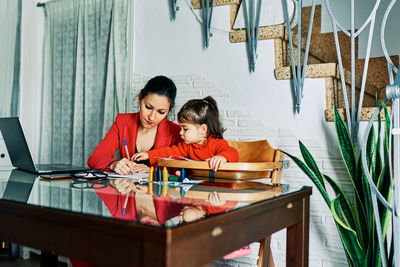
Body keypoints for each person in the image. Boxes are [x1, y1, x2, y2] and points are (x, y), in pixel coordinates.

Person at [87, 76, 182, 174]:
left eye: (161, 112)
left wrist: (154, 173)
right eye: (148, 107)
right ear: (140, 98)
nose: (152, 117)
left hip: (157, 189)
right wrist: (113, 164)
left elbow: (185, 173)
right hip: (125, 188)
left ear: (169, 110)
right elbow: (94, 159)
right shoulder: (122, 122)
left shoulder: (177, 133)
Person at [132, 96, 239, 171]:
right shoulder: (186, 147)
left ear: (203, 130)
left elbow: (233, 153)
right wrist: (148, 154)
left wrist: (222, 157)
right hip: (197, 191)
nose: (180, 132)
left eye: (185, 129)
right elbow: (167, 152)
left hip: (218, 191)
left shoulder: (217, 144)